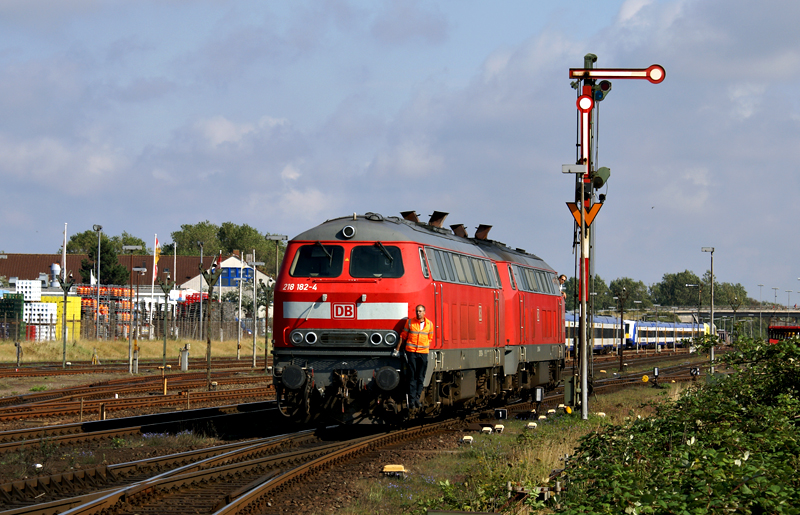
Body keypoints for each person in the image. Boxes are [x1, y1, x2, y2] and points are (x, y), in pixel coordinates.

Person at [395, 304, 433, 409]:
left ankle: (417, 398)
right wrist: (398, 348)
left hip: (423, 353)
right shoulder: (410, 322)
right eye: (417, 311)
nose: (418, 313)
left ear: (424, 312)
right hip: (411, 352)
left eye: (420, 311)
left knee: (420, 377)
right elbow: (403, 335)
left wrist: (424, 347)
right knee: (412, 377)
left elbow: (430, 337)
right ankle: (411, 400)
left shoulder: (429, 324)